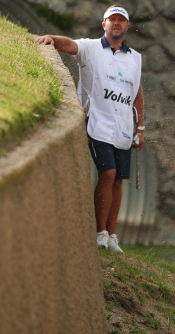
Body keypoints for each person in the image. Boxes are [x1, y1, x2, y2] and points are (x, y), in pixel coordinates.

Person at [36, 5, 144, 253]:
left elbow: (137, 94)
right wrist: (52, 39)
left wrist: (141, 128)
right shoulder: (91, 48)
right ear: (103, 24)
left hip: (125, 128)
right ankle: (100, 232)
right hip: (97, 122)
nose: (116, 23)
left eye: (121, 20)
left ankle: (112, 236)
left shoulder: (135, 58)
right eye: (111, 19)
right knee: (107, 174)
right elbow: (69, 45)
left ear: (127, 26)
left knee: (118, 181)